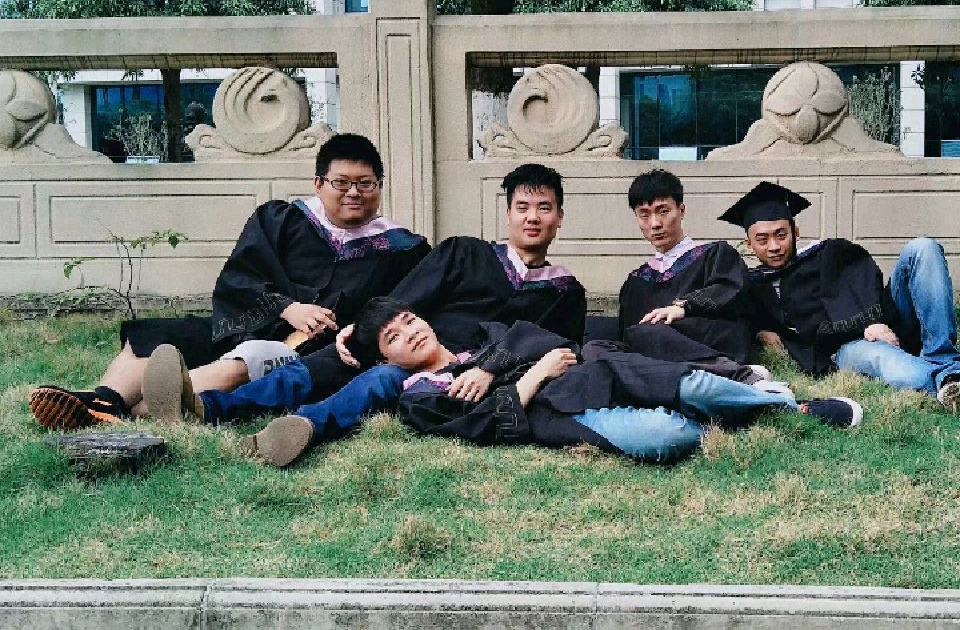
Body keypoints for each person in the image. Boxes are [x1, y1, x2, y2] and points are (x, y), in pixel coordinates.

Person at [29, 134, 430, 430]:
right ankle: (104, 399)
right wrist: (287, 307)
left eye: (366, 183)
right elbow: (239, 277)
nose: (354, 193)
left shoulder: (401, 248)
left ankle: (130, 413)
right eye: (341, 183)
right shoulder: (282, 220)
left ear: (379, 186)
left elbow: (397, 310)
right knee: (159, 336)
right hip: (246, 320)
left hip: (305, 346)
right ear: (318, 184)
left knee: (246, 360)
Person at [141, 163, 587, 426]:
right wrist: (360, 330)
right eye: (522, 207)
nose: (532, 218)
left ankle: (294, 424)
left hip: (459, 372)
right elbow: (405, 297)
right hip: (406, 344)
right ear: (508, 213)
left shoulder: (565, 291)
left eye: (543, 208)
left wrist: (489, 370)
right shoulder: (465, 252)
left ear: (561, 217)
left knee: (377, 380)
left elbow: (549, 347)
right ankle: (205, 407)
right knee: (316, 367)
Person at [240, 298, 862, 468]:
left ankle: (792, 407)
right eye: (394, 338)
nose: (410, 333)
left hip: (603, 371)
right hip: (558, 412)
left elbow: (544, 337)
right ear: (387, 359)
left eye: (408, 320)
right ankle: (741, 408)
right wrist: (533, 376)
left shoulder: (479, 339)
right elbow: (486, 426)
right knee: (669, 436)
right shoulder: (419, 395)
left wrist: (496, 367)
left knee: (695, 388)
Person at [721, 180, 960, 413]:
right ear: (749, 244)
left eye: (781, 235)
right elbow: (738, 319)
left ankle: (942, 357)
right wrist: (760, 331)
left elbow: (861, 279)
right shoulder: (751, 286)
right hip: (847, 346)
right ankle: (948, 379)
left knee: (923, 248)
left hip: (887, 318)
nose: (774, 246)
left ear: (796, 232)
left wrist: (870, 320)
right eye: (762, 240)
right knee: (884, 360)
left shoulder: (827, 254)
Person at [602, 168, 756, 386]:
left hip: (707, 342)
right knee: (599, 346)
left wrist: (684, 307)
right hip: (655, 352)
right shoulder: (637, 280)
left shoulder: (714, 254)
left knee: (646, 333)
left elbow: (731, 293)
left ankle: (734, 372)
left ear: (681, 211)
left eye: (663, 211)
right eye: (644, 214)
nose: (655, 223)